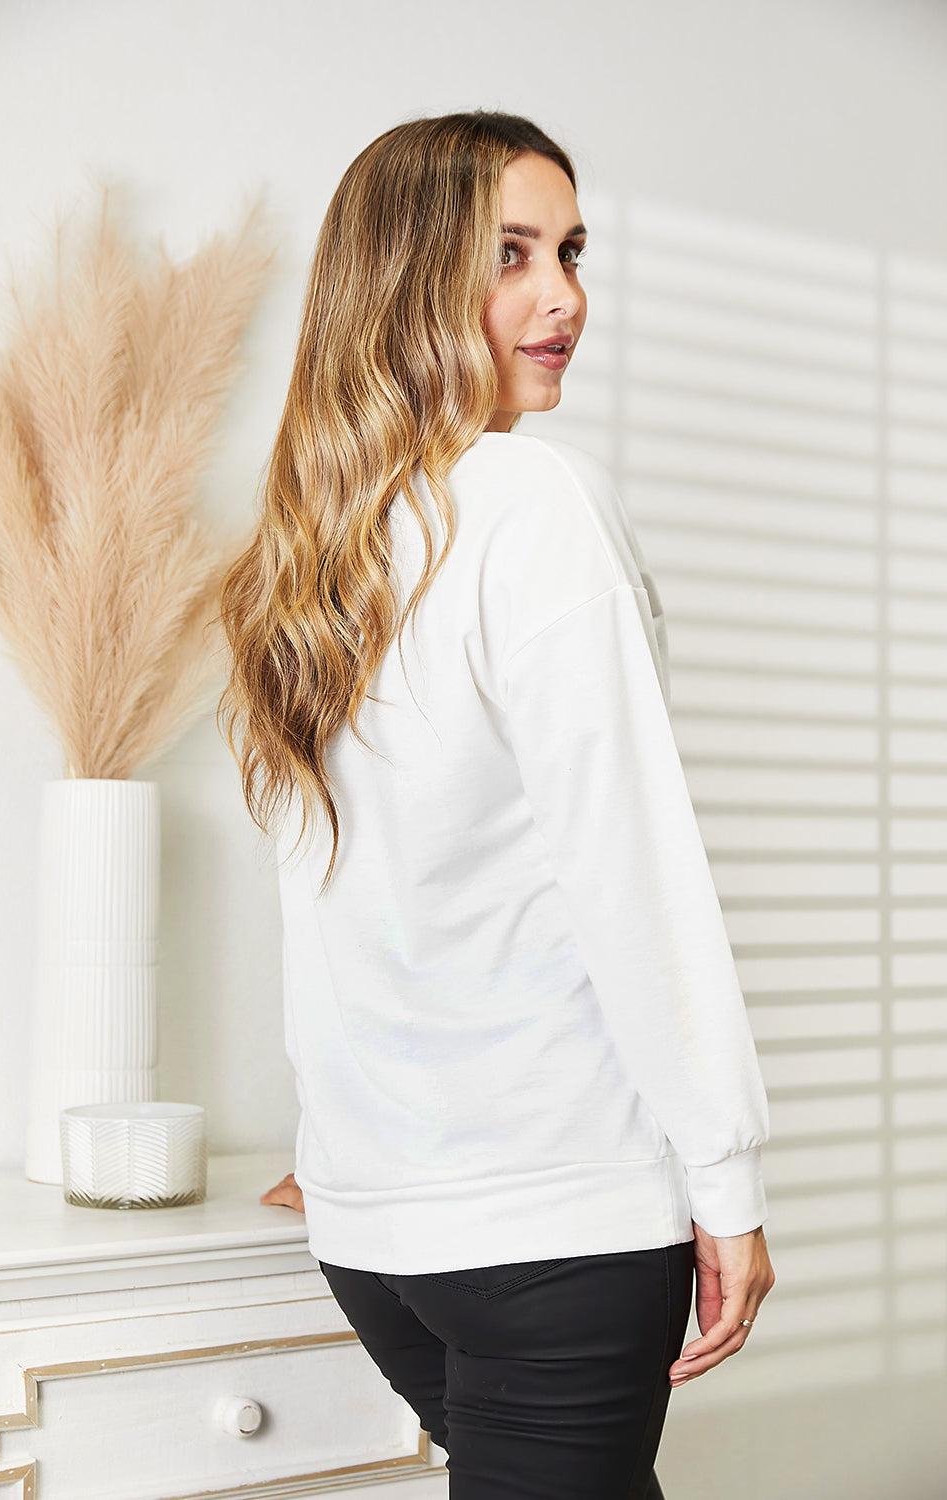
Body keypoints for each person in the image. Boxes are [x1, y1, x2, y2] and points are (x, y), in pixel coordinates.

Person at [218, 110, 776, 1500]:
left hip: (376, 1240)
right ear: (407, 281)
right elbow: (627, 867)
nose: (564, 298)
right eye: (511, 255)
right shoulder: (526, 501)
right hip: (554, 1232)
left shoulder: (313, 549)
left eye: (573, 252)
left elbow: (348, 895)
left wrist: (334, 1143)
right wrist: (729, 1184)